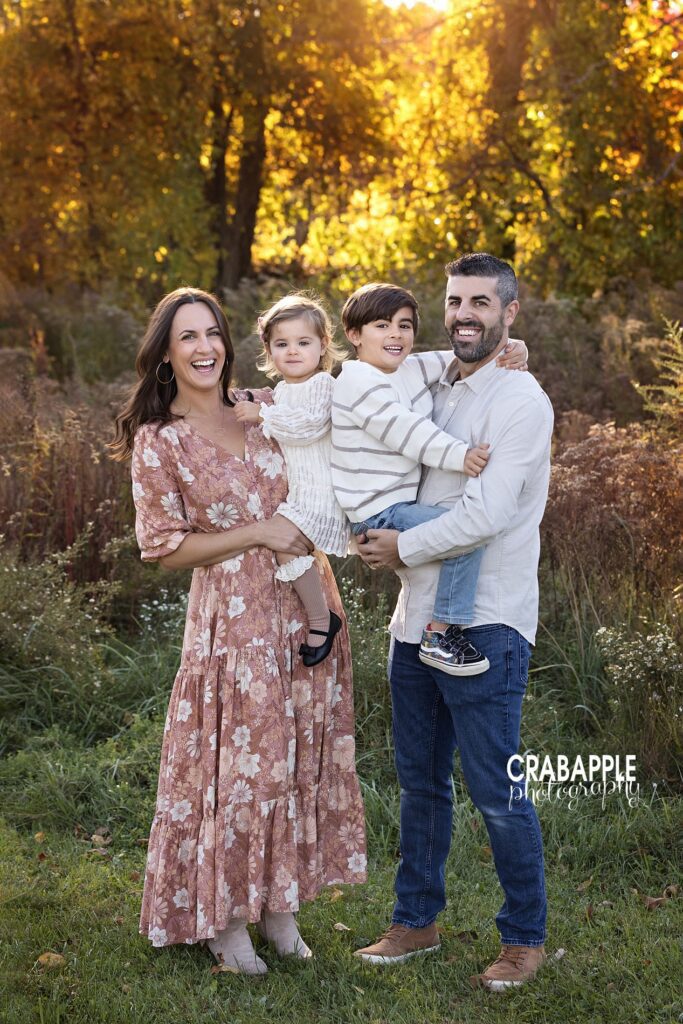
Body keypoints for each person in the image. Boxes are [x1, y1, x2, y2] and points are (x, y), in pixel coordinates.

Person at [109, 287, 366, 976]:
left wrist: (488, 362)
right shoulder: (160, 439)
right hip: (233, 622)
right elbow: (162, 546)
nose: (204, 348)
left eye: (212, 333)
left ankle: (279, 908)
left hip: (305, 606)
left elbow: (370, 393)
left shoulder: (267, 405)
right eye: (187, 337)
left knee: (293, 759)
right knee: (236, 769)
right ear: (166, 354)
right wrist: (255, 532)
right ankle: (224, 922)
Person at [355, 254, 554, 991]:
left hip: (486, 624)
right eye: (454, 300)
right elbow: (367, 372)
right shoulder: (431, 379)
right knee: (420, 785)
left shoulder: (520, 400)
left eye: (480, 302)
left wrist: (400, 546)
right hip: (414, 621)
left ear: (510, 312)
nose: (463, 313)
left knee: (496, 790)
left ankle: (524, 939)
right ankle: (416, 922)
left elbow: (486, 514)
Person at [332, 282, 528, 676]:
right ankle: (441, 633)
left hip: (396, 505)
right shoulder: (358, 382)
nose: (395, 335)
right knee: (462, 535)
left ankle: (439, 631)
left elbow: (457, 358)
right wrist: (460, 455)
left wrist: (512, 346)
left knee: (462, 531)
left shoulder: (407, 368)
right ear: (354, 335)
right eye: (382, 326)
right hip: (377, 512)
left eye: (404, 326)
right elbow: (406, 430)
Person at [231, 294, 350, 668]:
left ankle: (322, 620)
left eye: (303, 342)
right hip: (300, 492)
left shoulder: (323, 384)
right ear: (269, 350)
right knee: (285, 547)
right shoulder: (281, 391)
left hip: (322, 493)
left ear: (322, 345)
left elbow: (309, 427)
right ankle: (319, 617)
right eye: (282, 344)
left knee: (285, 545)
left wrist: (262, 415)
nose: (293, 351)